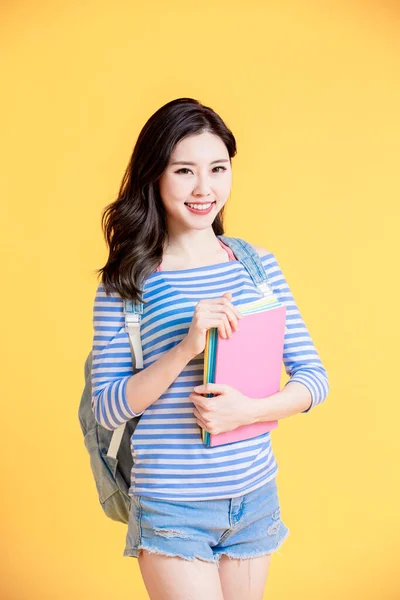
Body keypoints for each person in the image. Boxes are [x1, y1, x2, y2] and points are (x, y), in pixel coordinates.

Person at [91, 97, 330, 600]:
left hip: (254, 497)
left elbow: (314, 378)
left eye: (217, 168)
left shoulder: (258, 267)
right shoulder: (127, 282)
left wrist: (250, 412)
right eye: (184, 170)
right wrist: (183, 347)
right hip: (172, 504)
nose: (205, 189)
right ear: (155, 176)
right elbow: (108, 407)